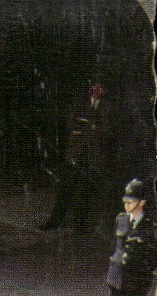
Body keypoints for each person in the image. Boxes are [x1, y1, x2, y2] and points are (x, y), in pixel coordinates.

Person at [42, 79, 116, 233]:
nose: (96, 90)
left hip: (93, 155)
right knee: (66, 187)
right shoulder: (80, 102)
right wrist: (91, 126)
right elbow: (70, 123)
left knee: (86, 191)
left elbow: (108, 129)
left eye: (100, 87)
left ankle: (80, 226)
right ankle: (55, 221)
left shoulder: (108, 106)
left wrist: (88, 126)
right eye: (94, 86)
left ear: (104, 90)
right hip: (75, 153)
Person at [100, 179, 157, 296]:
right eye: (125, 201)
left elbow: (153, 255)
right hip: (118, 274)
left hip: (137, 277)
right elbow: (115, 245)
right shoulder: (121, 219)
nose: (126, 205)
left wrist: (146, 277)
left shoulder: (149, 226)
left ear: (141, 202)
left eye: (130, 202)